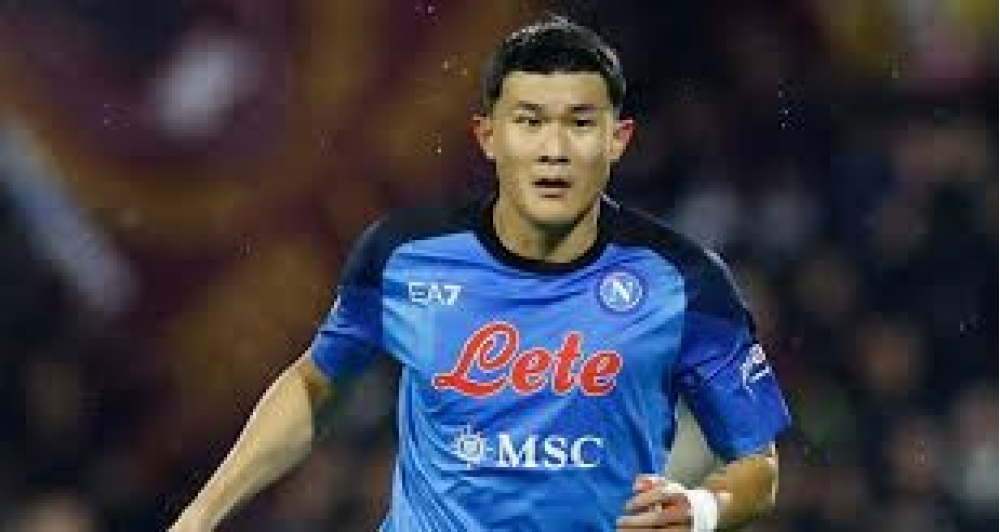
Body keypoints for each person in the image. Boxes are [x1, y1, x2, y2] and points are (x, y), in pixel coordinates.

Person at [170, 15, 791, 531]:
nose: (554, 150)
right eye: (529, 122)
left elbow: (758, 466)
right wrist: (199, 517)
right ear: (488, 136)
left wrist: (702, 510)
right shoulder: (404, 254)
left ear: (618, 139)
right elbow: (315, 386)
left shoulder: (685, 281)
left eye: (580, 123)